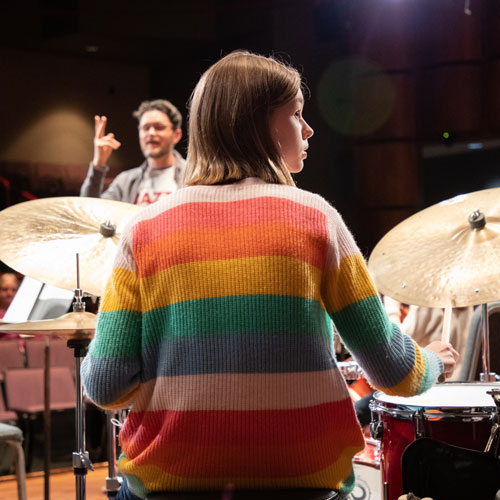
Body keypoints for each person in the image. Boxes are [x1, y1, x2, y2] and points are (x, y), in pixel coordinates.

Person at [81, 50, 458, 500]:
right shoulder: (316, 219)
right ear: (257, 124)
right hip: (302, 489)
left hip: (167, 489)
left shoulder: (142, 229)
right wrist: (435, 359)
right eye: (297, 113)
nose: (309, 129)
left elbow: (104, 386)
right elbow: (393, 372)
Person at [80, 99, 187, 205]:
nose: (151, 133)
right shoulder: (126, 181)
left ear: (176, 135)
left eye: (159, 127)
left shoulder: (191, 176)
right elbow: (89, 210)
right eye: (145, 128)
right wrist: (98, 166)